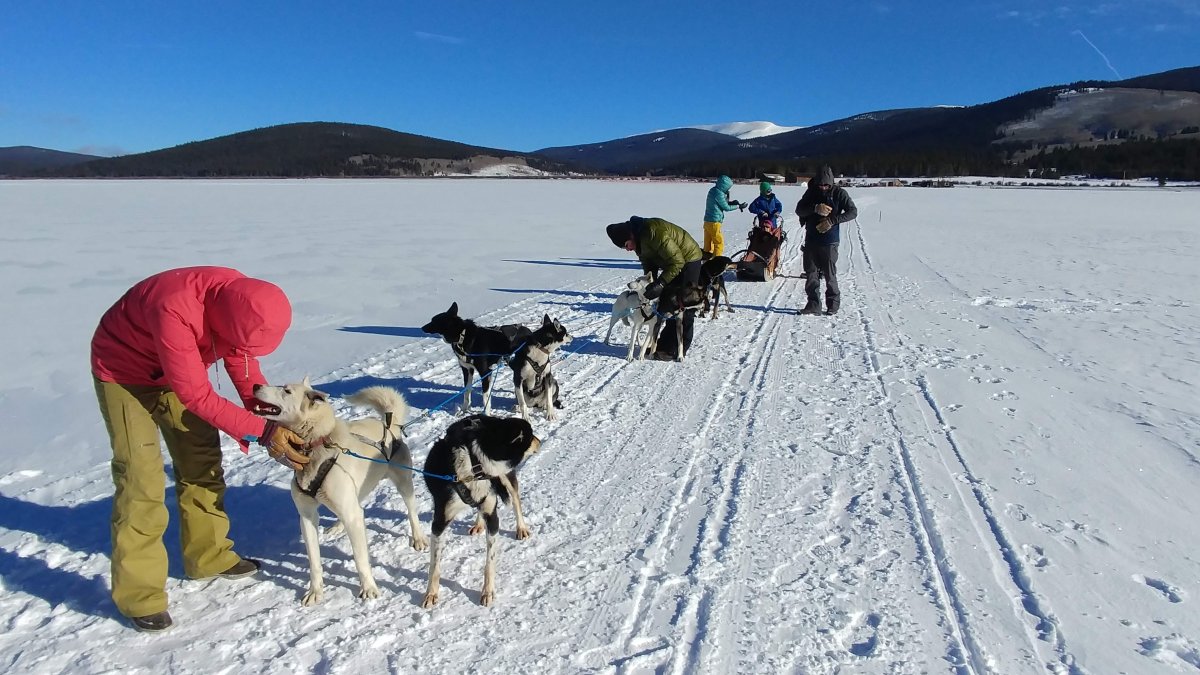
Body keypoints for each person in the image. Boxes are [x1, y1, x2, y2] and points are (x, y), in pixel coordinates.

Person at [91, 266, 310, 633]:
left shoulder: (242, 298)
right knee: (141, 479)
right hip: (124, 373)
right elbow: (195, 395)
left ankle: (208, 557)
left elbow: (242, 363)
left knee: (202, 461)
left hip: (177, 369)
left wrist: (270, 418)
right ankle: (140, 595)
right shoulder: (174, 309)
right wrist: (263, 431)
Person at [606, 216, 704, 360]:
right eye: (624, 248)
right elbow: (648, 264)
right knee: (666, 303)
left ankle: (676, 349)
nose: (628, 249)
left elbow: (677, 261)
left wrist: (661, 283)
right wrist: (650, 284)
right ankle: (663, 343)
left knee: (683, 305)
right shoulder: (639, 242)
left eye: (626, 245)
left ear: (630, 235)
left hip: (688, 260)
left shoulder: (653, 232)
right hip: (671, 264)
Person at [795, 166, 858, 315]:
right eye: (820, 185)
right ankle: (813, 304)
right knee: (811, 274)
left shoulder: (839, 193)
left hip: (830, 241)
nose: (823, 187)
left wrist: (833, 220)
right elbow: (799, 209)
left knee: (830, 275)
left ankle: (833, 305)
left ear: (831, 183)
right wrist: (815, 208)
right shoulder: (811, 192)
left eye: (826, 185)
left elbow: (853, 212)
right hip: (811, 239)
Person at [702, 175, 745, 259]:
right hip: (715, 222)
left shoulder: (713, 190)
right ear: (724, 186)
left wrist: (732, 202)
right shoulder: (719, 193)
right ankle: (716, 262)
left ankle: (706, 260)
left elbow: (720, 203)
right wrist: (738, 206)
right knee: (719, 243)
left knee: (708, 244)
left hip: (707, 221)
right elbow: (726, 207)